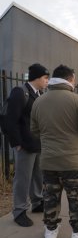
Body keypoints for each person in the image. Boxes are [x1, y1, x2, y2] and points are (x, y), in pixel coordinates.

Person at [30, 65, 78, 238]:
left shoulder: (39, 101)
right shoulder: (77, 100)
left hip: (49, 161)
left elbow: (34, 130)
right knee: (77, 198)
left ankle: (50, 231)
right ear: (71, 79)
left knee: (50, 197)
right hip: (73, 161)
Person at [5, 63, 49, 227]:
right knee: (22, 179)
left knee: (38, 175)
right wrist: (16, 143)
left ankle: (37, 202)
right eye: (45, 77)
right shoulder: (20, 92)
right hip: (24, 144)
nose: (47, 81)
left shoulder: (38, 94)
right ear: (37, 78)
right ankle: (19, 211)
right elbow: (11, 120)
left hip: (37, 144)